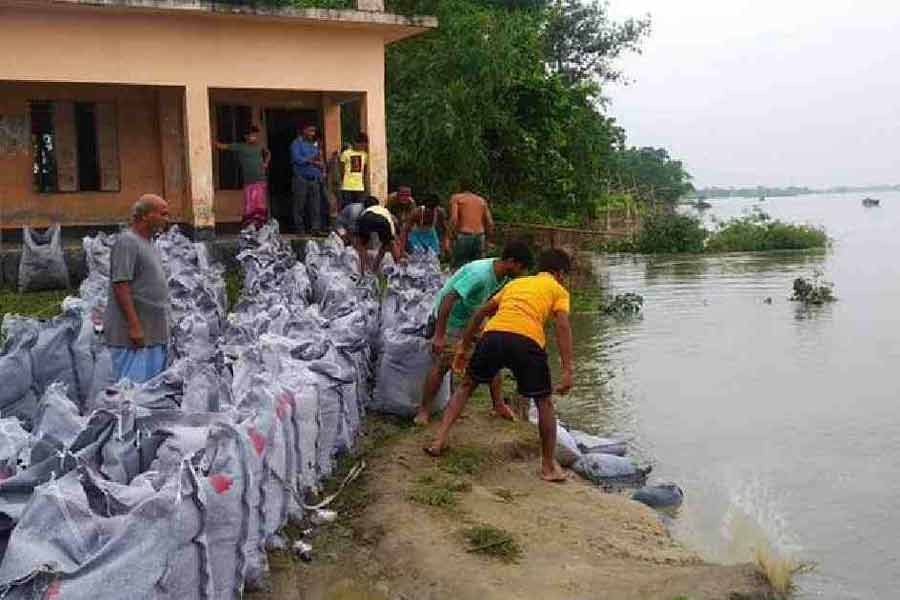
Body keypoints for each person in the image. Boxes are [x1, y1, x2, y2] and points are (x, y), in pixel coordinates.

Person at [425, 249, 574, 483]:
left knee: (466, 385)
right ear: (560, 274)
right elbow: (562, 327)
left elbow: (481, 312)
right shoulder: (559, 291)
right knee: (544, 402)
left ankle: (438, 440)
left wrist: (464, 346)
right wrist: (567, 370)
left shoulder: (516, 284)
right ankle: (547, 466)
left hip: (493, 335)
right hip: (527, 341)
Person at [415, 240, 535, 426]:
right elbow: (448, 299)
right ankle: (423, 411)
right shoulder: (479, 275)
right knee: (444, 364)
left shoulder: (504, 276)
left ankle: (498, 404)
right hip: (451, 319)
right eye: (522, 268)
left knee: (494, 357)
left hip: (471, 317)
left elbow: (491, 302)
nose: (522, 273)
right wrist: (439, 335)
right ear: (512, 262)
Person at [104, 194, 171, 384]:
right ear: (145, 216)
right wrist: (134, 327)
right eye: (163, 214)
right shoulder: (127, 242)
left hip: (153, 334)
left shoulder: (149, 243)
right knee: (130, 394)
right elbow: (121, 285)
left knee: (150, 394)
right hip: (133, 338)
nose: (167, 219)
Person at [215, 125, 270, 229]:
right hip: (248, 181)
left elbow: (268, 153)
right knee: (250, 204)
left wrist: (265, 163)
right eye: (252, 135)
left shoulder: (260, 146)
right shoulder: (241, 147)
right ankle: (250, 226)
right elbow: (223, 146)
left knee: (259, 204)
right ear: (246, 137)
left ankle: (260, 226)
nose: (254, 137)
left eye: (255, 135)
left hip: (260, 180)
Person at [290, 124, 326, 235]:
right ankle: (300, 230)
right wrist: (312, 161)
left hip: (314, 179)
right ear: (303, 130)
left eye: (313, 131)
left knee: (315, 206)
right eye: (310, 131)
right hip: (301, 179)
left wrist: (320, 167)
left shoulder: (313, 145)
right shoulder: (296, 144)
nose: (312, 134)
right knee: (299, 206)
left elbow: (319, 161)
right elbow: (297, 159)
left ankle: (315, 229)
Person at [354, 200, 404, 274]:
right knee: (389, 244)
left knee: (362, 246)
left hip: (366, 218)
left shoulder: (365, 211)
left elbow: (359, 223)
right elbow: (392, 225)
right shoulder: (385, 210)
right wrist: (392, 239)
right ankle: (399, 268)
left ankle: (364, 271)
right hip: (382, 220)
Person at [449, 187, 494, 268]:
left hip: (464, 234)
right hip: (480, 236)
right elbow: (490, 222)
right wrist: (488, 240)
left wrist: (450, 235)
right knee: (478, 267)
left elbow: (454, 219)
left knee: (459, 266)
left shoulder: (456, 198)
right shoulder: (481, 200)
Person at [339, 132, 369, 208]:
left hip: (359, 186)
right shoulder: (346, 153)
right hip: (347, 186)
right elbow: (341, 169)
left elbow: (364, 171)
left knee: (359, 207)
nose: (362, 146)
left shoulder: (365, 155)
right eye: (361, 144)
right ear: (355, 143)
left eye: (364, 144)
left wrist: (365, 185)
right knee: (347, 207)